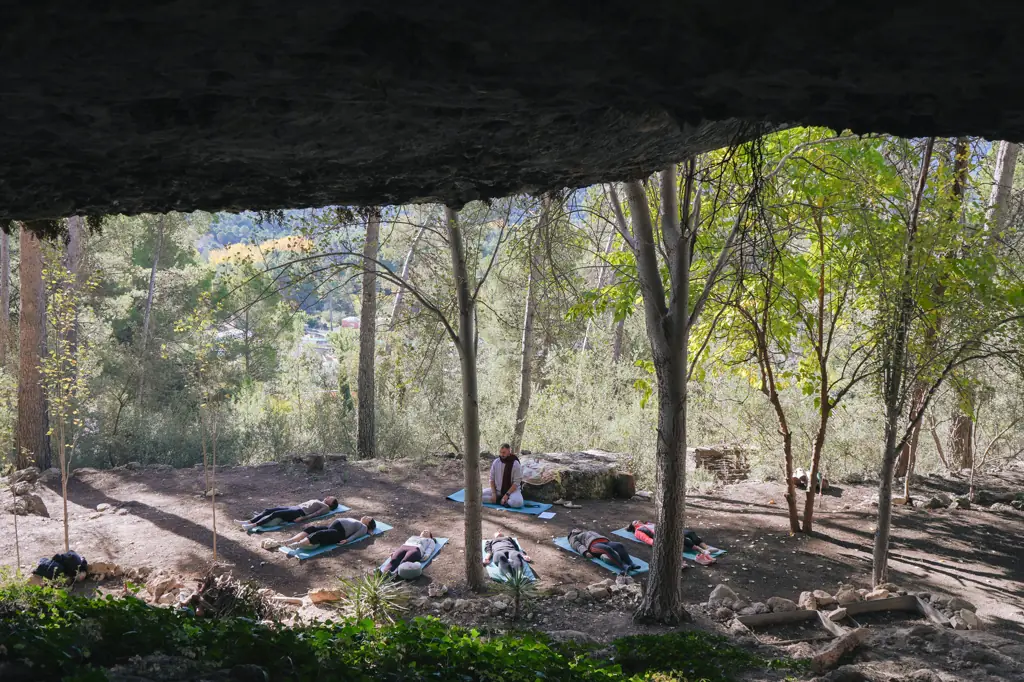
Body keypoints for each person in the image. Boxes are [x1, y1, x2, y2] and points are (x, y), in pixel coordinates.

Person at [627, 520, 716, 565]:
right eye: (635, 521)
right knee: (681, 538)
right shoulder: (638, 531)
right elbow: (647, 539)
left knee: (690, 533)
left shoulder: (648, 523)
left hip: (670, 531)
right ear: (633, 526)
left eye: (638, 520)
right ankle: (701, 551)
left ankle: (706, 548)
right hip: (664, 537)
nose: (638, 521)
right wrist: (658, 544)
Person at [567, 527, 639, 577]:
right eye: (575, 529)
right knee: (606, 549)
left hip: (604, 541)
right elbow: (577, 546)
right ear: (571, 532)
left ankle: (631, 564)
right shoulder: (573, 538)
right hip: (593, 545)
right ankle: (623, 566)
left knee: (619, 545)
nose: (577, 529)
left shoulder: (586, 532)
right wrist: (585, 552)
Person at [241, 496, 340, 530]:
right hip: (294, 507)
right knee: (268, 510)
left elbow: (316, 514)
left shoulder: (326, 507)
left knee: (275, 514)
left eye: (330, 498)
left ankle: (253, 525)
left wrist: (303, 518)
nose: (328, 496)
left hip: (299, 512)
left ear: (331, 503)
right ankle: (248, 522)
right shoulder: (321, 501)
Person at [282, 515, 375, 549]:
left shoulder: (364, 528)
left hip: (340, 533)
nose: (366, 516)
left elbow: (356, 535)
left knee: (319, 534)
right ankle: (290, 541)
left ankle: (297, 545)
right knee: (312, 528)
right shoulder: (359, 522)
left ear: (368, 523)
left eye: (368, 518)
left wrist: (347, 540)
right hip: (331, 527)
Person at [482, 443, 523, 508]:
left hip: (512, 491)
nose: (501, 454)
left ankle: (503, 500)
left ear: (509, 452)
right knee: (477, 496)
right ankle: (499, 500)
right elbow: (491, 479)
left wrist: (506, 495)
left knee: (518, 503)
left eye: (504, 452)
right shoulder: (496, 462)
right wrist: (493, 493)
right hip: (497, 490)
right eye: (500, 452)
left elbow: (516, 482)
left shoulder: (516, 464)